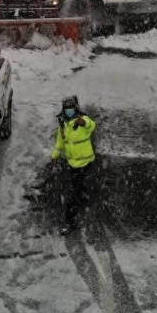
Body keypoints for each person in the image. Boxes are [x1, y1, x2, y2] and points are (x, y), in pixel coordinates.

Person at [48, 95, 96, 235]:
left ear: (76, 109)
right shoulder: (63, 124)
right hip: (72, 163)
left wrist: (83, 122)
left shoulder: (82, 120)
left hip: (86, 161)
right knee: (78, 184)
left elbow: (91, 124)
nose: (69, 111)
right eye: (66, 109)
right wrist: (54, 156)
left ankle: (69, 222)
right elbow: (60, 141)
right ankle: (82, 194)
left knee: (72, 195)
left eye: (71, 109)